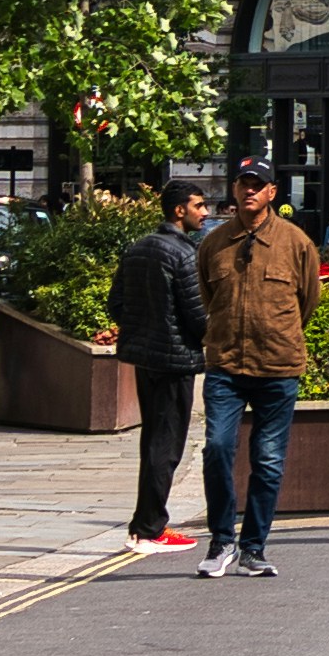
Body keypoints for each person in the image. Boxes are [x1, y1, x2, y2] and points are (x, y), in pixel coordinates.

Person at [199, 163, 329, 578]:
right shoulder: (214, 243)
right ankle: (222, 541)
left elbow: (308, 299)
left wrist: (278, 333)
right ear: (235, 190)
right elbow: (206, 297)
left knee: (268, 460)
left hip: (277, 366)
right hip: (225, 365)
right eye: (244, 185)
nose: (249, 192)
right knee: (217, 449)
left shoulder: (296, 243)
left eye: (258, 186)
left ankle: (254, 547)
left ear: (272, 192)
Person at [111, 187, 215, 551]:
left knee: (153, 440)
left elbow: (117, 303)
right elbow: (198, 316)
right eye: (198, 206)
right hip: (175, 360)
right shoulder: (185, 254)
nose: (205, 212)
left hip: (145, 358)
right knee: (167, 445)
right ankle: (150, 529)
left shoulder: (138, 247)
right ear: (178, 210)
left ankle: (145, 524)